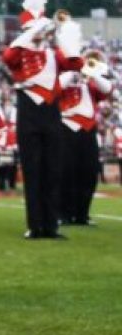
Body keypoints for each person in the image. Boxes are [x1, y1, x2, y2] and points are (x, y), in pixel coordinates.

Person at [2, 0, 83, 239]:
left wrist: (69, 37)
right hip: (28, 111)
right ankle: (35, 225)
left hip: (50, 112)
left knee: (52, 169)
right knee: (33, 169)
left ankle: (52, 224)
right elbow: (8, 57)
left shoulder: (52, 53)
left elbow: (75, 63)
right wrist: (29, 34)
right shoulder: (20, 51)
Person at [59, 46, 113, 226]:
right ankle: (64, 214)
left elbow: (107, 89)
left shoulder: (91, 83)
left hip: (88, 130)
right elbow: (57, 86)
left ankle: (82, 214)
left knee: (89, 172)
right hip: (67, 127)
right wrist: (74, 73)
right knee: (67, 172)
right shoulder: (66, 77)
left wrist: (92, 72)